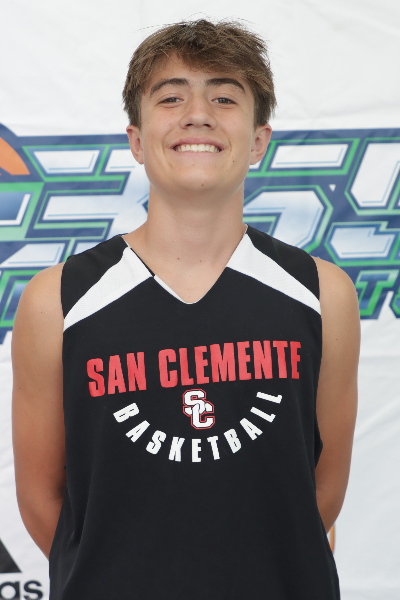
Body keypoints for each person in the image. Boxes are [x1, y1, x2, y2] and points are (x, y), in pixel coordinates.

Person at [12, 19, 360, 600]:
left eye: (224, 97)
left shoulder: (323, 293)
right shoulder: (59, 300)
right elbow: (43, 499)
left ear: (258, 141)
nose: (197, 114)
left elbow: (320, 489)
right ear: (136, 139)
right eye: (171, 97)